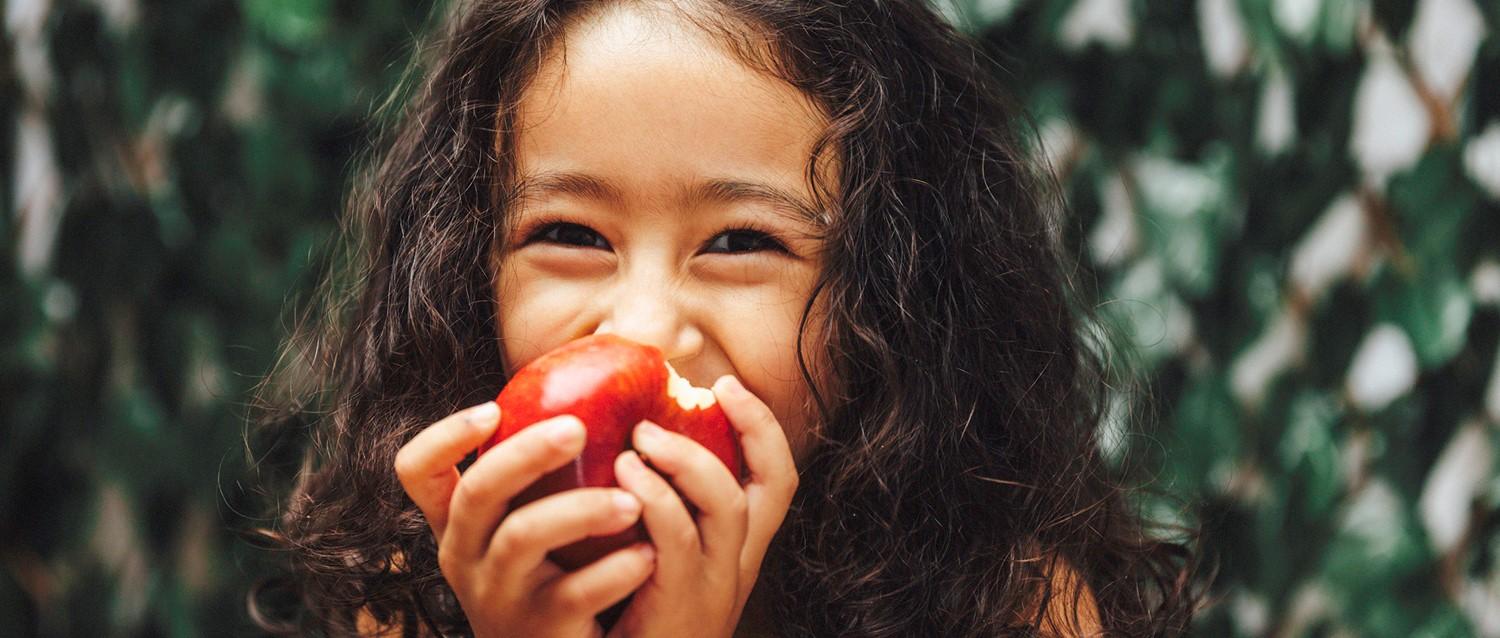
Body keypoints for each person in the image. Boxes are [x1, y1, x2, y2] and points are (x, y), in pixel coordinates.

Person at [245, 0, 1208, 635]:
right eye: (571, 232)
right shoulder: (423, 595)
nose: (646, 326)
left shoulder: (1014, 608)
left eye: (742, 243)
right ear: (469, 272)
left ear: (895, 297)